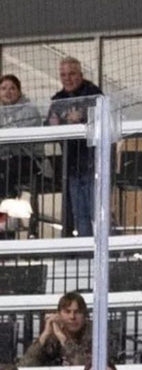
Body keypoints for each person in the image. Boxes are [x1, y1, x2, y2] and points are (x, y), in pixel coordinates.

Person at [46, 57, 102, 237]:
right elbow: (49, 125)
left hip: (94, 164)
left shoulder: (94, 94)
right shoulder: (58, 99)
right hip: (71, 166)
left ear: (81, 75)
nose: (67, 78)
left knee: (98, 211)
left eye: (71, 74)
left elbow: (101, 120)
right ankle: (86, 255)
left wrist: (83, 118)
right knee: (80, 214)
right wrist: (59, 122)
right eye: (63, 75)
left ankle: (110, 252)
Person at [0, 74, 44, 203]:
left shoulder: (29, 110)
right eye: (3, 88)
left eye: (12, 88)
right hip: (5, 158)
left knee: (9, 167)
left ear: (19, 91)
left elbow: (16, 137)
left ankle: (9, 202)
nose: (8, 92)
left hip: (28, 158)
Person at [20, 291, 92, 367]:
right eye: (67, 312)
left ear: (84, 315)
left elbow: (85, 367)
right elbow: (24, 366)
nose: (72, 317)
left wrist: (63, 339)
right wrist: (45, 335)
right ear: (59, 315)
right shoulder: (53, 336)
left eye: (77, 312)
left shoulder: (93, 334)